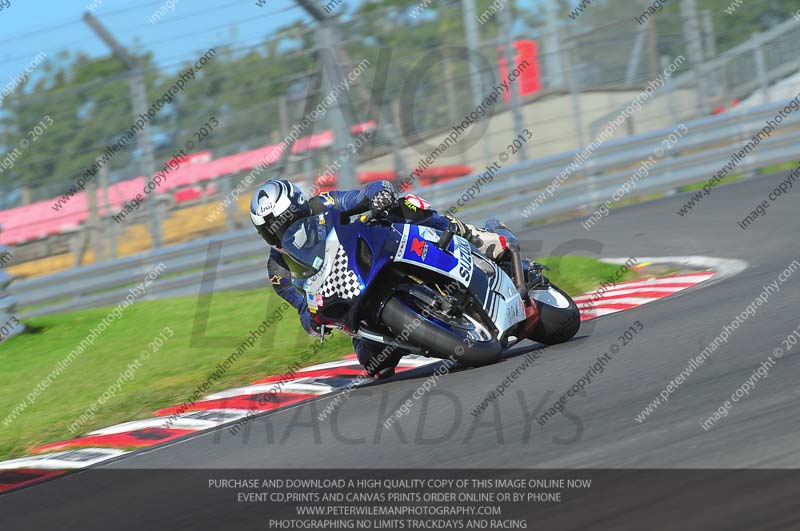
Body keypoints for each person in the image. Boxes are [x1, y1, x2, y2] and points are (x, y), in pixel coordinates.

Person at [250, 179, 508, 378]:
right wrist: (314, 322)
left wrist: (379, 194)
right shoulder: (278, 270)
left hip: (368, 257)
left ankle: (471, 235)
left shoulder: (323, 204)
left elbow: (362, 194)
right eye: (271, 231)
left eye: (285, 222)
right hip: (349, 305)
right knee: (375, 364)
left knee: (407, 205)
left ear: (300, 207)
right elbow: (302, 308)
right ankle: (427, 335)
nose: (282, 233)